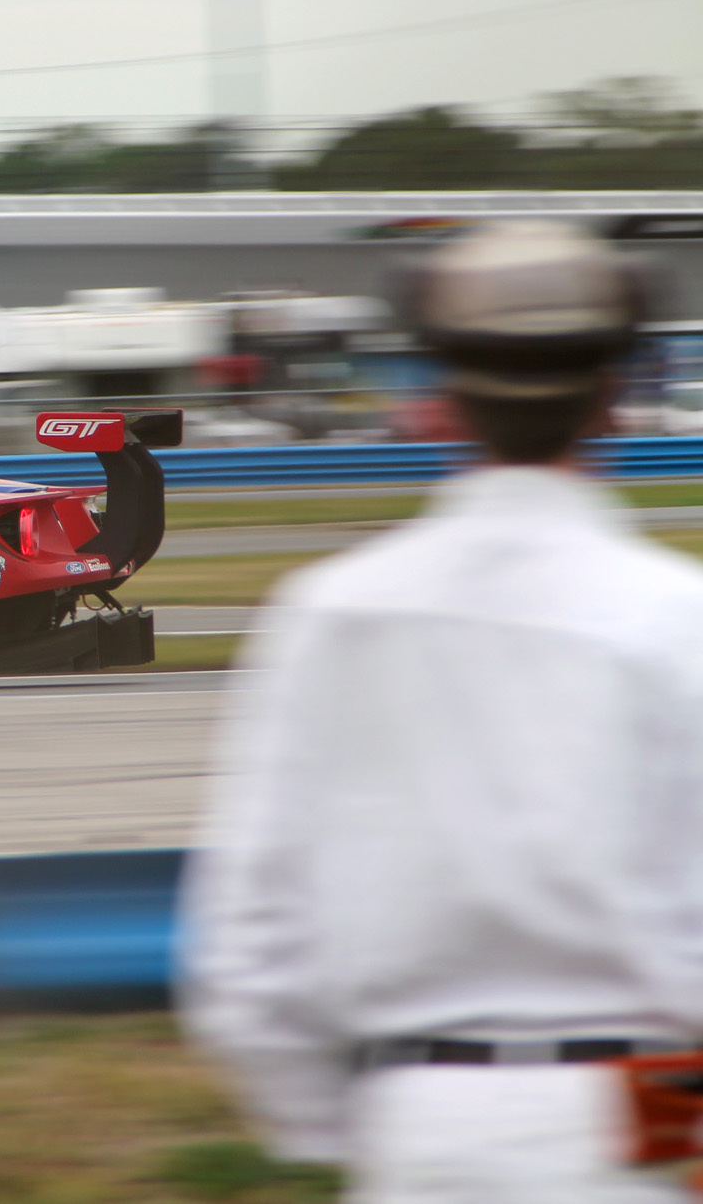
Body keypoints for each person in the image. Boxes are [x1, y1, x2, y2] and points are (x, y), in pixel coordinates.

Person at [181, 219, 703, 1203]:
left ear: (438, 403)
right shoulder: (675, 622)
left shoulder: (324, 617)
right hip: (621, 1121)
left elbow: (246, 948)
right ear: (611, 399)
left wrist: (351, 1125)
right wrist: (660, 1127)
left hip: (410, 1126)